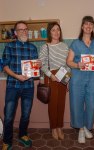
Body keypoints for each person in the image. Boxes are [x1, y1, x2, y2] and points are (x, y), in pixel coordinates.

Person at [2, 21, 39, 150]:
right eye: (21, 29)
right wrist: (17, 76)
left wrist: (37, 66)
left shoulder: (33, 48)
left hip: (28, 86)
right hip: (13, 85)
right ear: (16, 33)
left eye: (25, 29)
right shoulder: (9, 47)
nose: (24, 31)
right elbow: (4, 66)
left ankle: (23, 134)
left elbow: (35, 69)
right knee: (8, 115)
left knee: (26, 114)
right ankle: (7, 140)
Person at [67, 16, 94, 143]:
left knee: (92, 105)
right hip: (77, 78)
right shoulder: (76, 43)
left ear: (93, 27)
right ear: (82, 27)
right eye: (86, 24)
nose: (88, 26)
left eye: (90, 24)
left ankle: (87, 127)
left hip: (92, 78)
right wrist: (77, 65)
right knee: (77, 105)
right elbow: (69, 61)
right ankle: (81, 129)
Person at [39, 22, 69, 140]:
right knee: (53, 105)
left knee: (61, 104)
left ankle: (59, 127)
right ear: (49, 33)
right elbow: (42, 65)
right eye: (53, 30)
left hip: (63, 76)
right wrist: (50, 75)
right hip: (51, 76)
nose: (56, 32)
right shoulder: (45, 47)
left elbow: (67, 65)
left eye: (58, 30)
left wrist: (67, 80)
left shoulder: (65, 46)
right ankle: (53, 127)